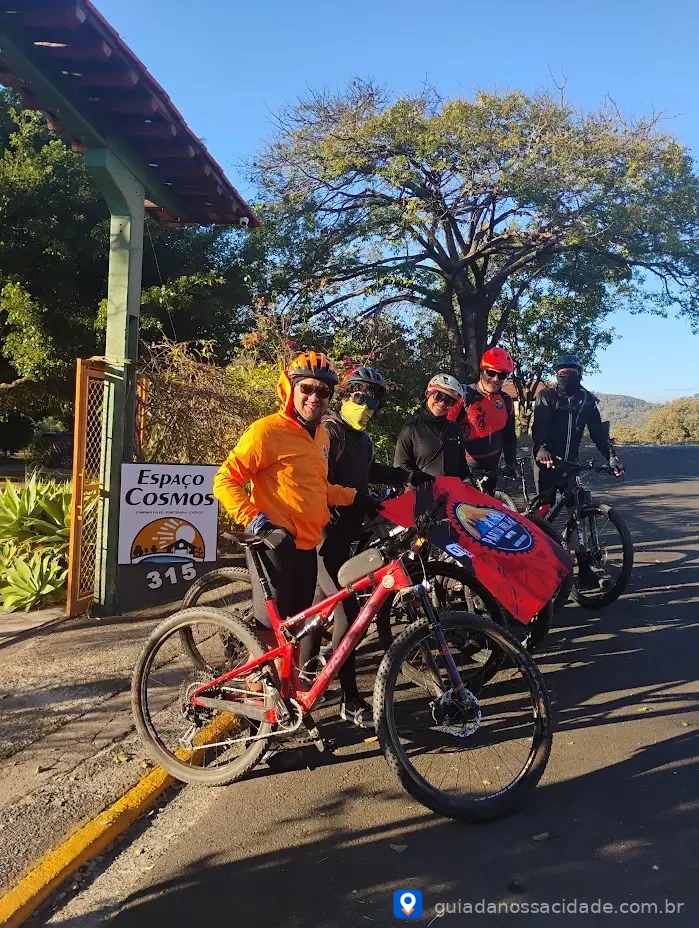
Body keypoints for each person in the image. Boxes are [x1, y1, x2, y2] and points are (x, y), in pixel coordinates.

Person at [213, 351, 379, 643]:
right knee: (270, 637)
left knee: (295, 631)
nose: (315, 397)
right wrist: (256, 521)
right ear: (290, 389)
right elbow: (225, 480)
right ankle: (262, 687)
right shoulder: (266, 431)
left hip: (307, 545)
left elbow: (320, 489)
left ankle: (290, 687)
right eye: (307, 388)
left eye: (324, 391)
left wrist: (357, 498)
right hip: (273, 544)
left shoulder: (322, 437)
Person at [300, 366, 425, 727]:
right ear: (345, 396)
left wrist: (405, 475)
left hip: (351, 535)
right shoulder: (330, 433)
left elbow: (367, 471)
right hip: (326, 535)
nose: (366, 405)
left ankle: (305, 680)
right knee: (347, 613)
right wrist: (359, 501)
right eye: (360, 397)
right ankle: (349, 698)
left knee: (315, 612)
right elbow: (322, 483)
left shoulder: (363, 439)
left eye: (373, 401)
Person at [532, 353, 623, 588]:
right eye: (561, 373)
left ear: (580, 375)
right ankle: (532, 560)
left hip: (570, 463)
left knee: (579, 510)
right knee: (543, 509)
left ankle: (583, 568)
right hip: (547, 461)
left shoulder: (587, 400)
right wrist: (541, 449)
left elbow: (597, 433)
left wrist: (611, 457)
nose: (565, 377)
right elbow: (539, 426)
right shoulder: (546, 396)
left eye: (570, 373)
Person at [449, 347, 517, 494]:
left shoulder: (506, 401)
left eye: (502, 375)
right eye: (491, 373)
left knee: (488, 510)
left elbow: (509, 436)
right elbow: (444, 431)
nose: (496, 379)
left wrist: (511, 462)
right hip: (467, 467)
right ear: (482, 370)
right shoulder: (465, 395)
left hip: (493, 466)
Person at [394, 373, 470, 480]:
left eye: (449, 401)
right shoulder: (411, 429)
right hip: (420, 493)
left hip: (452, 494)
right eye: (438, 396)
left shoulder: (455, 429)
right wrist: (419, 480)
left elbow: (462, 468)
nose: (442, 403)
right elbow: (400, 467)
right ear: (428, 394)